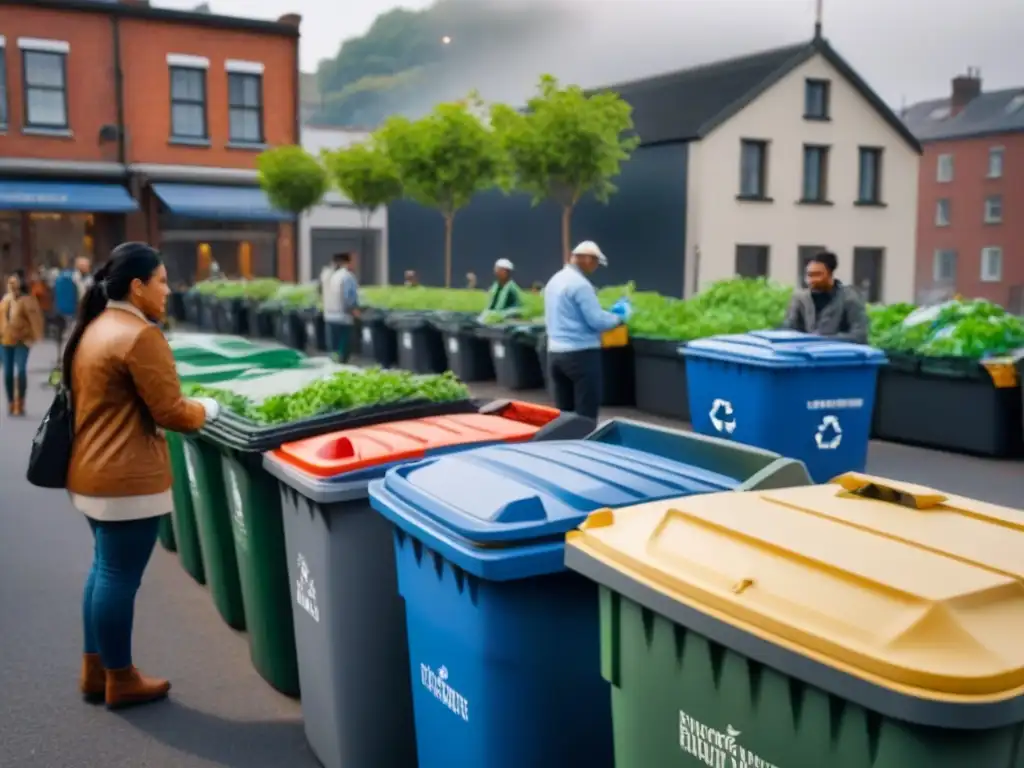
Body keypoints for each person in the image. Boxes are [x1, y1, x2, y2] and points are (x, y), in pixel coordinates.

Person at [64, 242, 221, 709]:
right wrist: (209, 408)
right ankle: (121, 677)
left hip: (90, 471)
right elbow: (173, 412)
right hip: (126, 477)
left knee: (103, 569)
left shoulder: (94, 328)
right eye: (162, 281)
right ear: (138, 286)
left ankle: (96, 670)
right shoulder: (139, 334)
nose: (168, 291)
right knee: (117, 576)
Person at [542, 241, 627, 421]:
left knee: (563, 415)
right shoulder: (581, 285)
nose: (596, 267)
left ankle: (563, 447)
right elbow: (596, 320)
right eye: (596, 262)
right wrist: (618, 318)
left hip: (555, 354)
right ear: (587, 259)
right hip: (581, 355)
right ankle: (583, 447)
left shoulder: (554, 280)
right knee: (585, 415)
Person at [783, 250, 868, 344]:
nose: (811, 280)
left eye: (817, 274)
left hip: (838, 355)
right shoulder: (800, 299)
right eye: (809, 275)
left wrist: (822, 340)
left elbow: (859, 335)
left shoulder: (850, 298)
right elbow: (789, 329)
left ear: (830, 274)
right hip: (806, 354)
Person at [0, 270, 45, 415]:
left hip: (22, 341)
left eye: (15, 283)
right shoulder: (5, 300)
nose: (12, 286)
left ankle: (21, 401)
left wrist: (35, 338)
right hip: (5, 341)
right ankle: (11, 402)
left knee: (20, 371)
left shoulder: (27, 300)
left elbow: (36, 320)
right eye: (10, 283)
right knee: (7, 372)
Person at [322, 252, 360, 364]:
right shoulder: (347, 276)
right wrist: (355, 310)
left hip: (329, 314)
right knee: (344, 343)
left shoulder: (327, 275)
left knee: (333, 343)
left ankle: (333, 361)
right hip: (343, 316)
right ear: (347, 262)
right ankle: (342, 361)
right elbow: (349, 297)